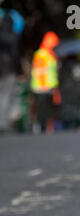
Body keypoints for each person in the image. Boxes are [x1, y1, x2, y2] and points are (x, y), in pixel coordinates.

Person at [30, 31, 60, 133]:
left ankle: (46, 126)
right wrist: (43, 86)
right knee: (42, 109)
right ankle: (40, 127)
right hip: (42, 87)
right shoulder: (42, 54)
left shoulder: (50, 54)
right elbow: (40, 71)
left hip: (49, 87)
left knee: (48, 109)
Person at [0, 4, 24, 132]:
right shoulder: (11, 34)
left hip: (3, 66)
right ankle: (3, 123)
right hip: (8, 67)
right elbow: (14, 52)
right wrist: (19, 69)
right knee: (6, 94)